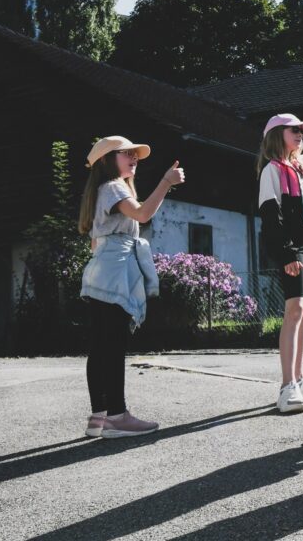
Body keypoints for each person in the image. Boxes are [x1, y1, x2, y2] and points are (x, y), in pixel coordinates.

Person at [78, 136, 184, 439]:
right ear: (107, 161)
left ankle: (99, 417)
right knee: (112, 346)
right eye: (126, 154)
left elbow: (95, 241)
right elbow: (142, 213)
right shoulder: (113, 186)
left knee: (100, 346)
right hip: (114, 272)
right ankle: (117, 416)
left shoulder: (102, 190)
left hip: (101, 269)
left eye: (134, 154)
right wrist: (166, 181)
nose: (133, 157)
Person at [257, 112, 303, 415]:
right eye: (293, 130)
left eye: (301, 132)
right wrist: (288, 253)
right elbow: (271, 217)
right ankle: (286, 386)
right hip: (292, 249)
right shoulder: (272, 170)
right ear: (276, 134)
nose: (299, 135)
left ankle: (299, 376)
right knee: (293, 310)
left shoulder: (302, 167)